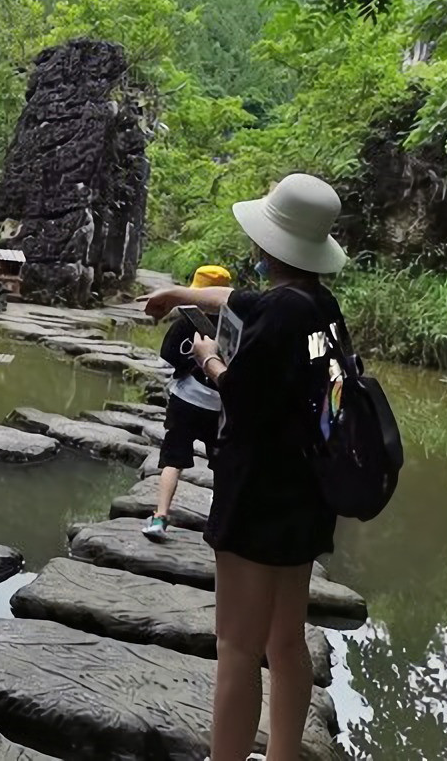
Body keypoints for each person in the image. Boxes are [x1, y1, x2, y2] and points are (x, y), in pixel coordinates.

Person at [143, 173, 348, 761]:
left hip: (258, 496)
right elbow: (241, 301)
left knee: (236, 646)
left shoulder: (278, 317)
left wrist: (209, 360)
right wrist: (181, 295)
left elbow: (243, 398)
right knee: (286, 643)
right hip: (307, 493)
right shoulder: (318, 306)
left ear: (267, 245)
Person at [141, 264, 232, 542]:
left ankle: (160, 516)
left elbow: (166, 361)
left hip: (185, 402)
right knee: (222, 465)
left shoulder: (184, 323)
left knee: (173, 460)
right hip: (220, 407)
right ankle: (218, 524)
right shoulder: (233, 328)